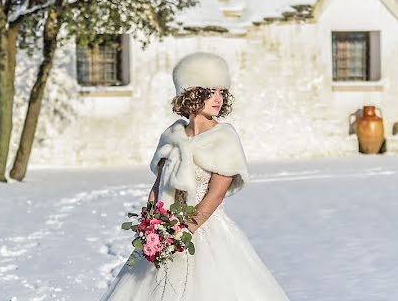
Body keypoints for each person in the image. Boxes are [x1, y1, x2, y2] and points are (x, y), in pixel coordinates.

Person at [100, 52, 290, 300]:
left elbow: (217, 193)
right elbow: (157, 188)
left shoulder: (224, 139)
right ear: (192, 94)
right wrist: (151, 229)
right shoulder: (172, 137)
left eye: (222, 92)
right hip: (165, 231)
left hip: (206, 233)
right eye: (211, 91)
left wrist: (183, 232)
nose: (218, 99)